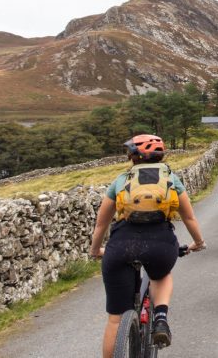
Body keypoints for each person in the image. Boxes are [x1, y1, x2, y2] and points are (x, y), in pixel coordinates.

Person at [89, 134, 206, 358]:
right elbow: (189, 218)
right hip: (160, 245)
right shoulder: (171, 179)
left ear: (134, 156)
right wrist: (198, 243)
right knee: (161, 276)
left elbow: (101, 223)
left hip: (121, 245)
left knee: (115, 319)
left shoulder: (121, 180)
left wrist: (95, 250)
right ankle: (161, 317)